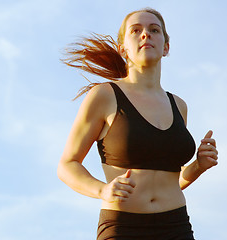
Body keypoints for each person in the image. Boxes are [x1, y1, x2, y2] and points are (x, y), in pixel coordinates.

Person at [57, 8, 219, 240]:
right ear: (123, 48)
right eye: (136, 30)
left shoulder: (179, 105)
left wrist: (199, 166)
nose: (146, 34)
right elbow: (67, 165)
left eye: (154, 30)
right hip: (123, 227)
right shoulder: (104, 96)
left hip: (176, 226)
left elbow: (174, 179)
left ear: (166, 47)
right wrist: (102, 190)